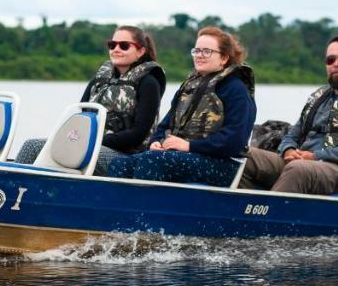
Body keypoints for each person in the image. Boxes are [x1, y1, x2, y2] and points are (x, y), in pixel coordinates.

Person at [239, 35, 338, 196]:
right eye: (330, 60)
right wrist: (288, 150)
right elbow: (292, 134)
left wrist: (316, 156)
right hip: (302, 163)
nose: (336, 64)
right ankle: (242, 213)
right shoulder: (319, 97)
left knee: (298, 169)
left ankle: (268, 217)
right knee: (243, 155)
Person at [108, 26, 256, 187]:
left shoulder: (236, 89)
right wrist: (156, 142)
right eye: (197, 51)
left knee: (153, 161)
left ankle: (144, 211)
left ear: (224, 58)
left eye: (207, 51)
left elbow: (234, 141)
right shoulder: (190, 86)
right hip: (183, 156)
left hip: (222, 164)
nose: (199, 56)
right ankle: (120, 211)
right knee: (120, 164)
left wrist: (189, 146)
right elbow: (164, 125)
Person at [15, 25, 165, 174]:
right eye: (112, 45)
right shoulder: (99, 80)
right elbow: (79, 117)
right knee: (32, 146)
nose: (116, 49)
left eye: (124, 46)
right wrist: (74, 140)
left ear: (140, 51)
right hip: (87, 144)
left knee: (78, 154)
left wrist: (92, 141)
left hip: (127, 155)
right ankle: (8, 189)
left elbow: (138, 134)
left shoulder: (149, 83)